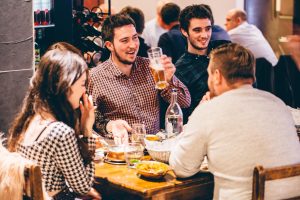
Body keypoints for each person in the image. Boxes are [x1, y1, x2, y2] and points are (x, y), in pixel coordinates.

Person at [169, 43, 300, 200]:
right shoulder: (278, 103)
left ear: (217, 76)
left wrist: (195, 118)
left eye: (209, 74)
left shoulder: (209, 110)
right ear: (252, 74)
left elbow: (182, 168)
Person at [7, 47, 101, 199]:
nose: (84, 91)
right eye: (83, 84)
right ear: (67, 85)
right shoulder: (60, 132)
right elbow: (83, 187)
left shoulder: (29, 119)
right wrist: (87, 130)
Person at [88, 14, 191, 140]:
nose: (133, 45)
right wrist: (108, 127)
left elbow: (185, 102)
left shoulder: (150, 66)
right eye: (125, 40)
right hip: (120, 150)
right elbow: (89, 117)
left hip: (154, 148)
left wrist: (169, 80)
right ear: (110, 45)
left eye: (135, 38)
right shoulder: (95, 76)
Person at [175, 4, 230, 124]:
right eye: (197, 30)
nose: (204, 35)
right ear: (184, 31)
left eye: (208, 28)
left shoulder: (225, 48)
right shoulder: (181, 70)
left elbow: (247, 75)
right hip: (206, 125)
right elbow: (183, 117)